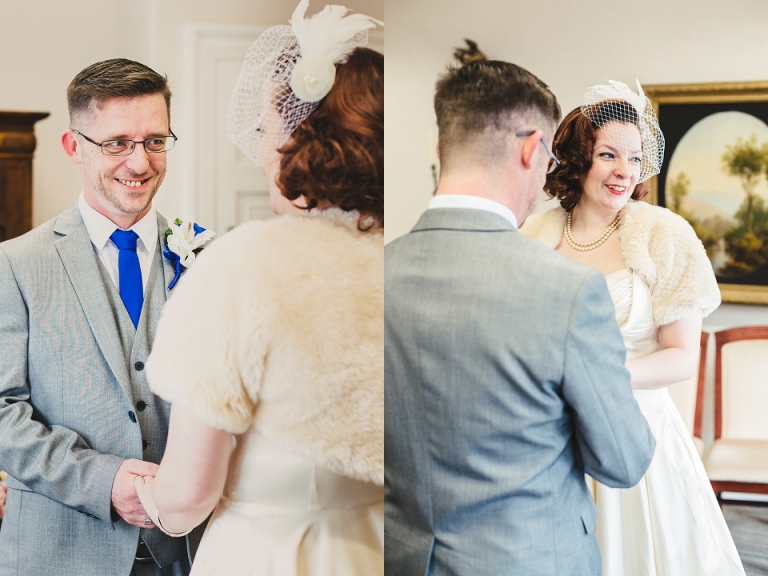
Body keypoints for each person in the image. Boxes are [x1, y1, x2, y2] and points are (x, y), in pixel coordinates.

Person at [131, 2, 384, 575]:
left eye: (267, 132)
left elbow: (188, 493)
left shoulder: (246, 266)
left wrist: (152, 498)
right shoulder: (403, 262)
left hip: (274, 553)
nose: (258, 154)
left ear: (301, 143)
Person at [384, 60, 656, 576]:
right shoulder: (569, 290)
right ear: (533, 150)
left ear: (440, 148)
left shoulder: (378, 272)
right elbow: (623, 459)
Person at [522, 80, 745, 576]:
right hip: (548, 439)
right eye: (608, 155)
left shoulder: (664, 234)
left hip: (635, 438)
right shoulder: (535, 232)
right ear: (579, 159)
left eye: (635, 158)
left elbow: (683, 357)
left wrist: (599, 378)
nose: (625, 171)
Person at [0, 59, 203, 575]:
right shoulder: (16, 264)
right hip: (59, 553)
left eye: (155, 141)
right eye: (117, 143)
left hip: (188, 553)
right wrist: (103, 482)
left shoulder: (208, 256)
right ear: (74, 147)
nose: (139, 162)